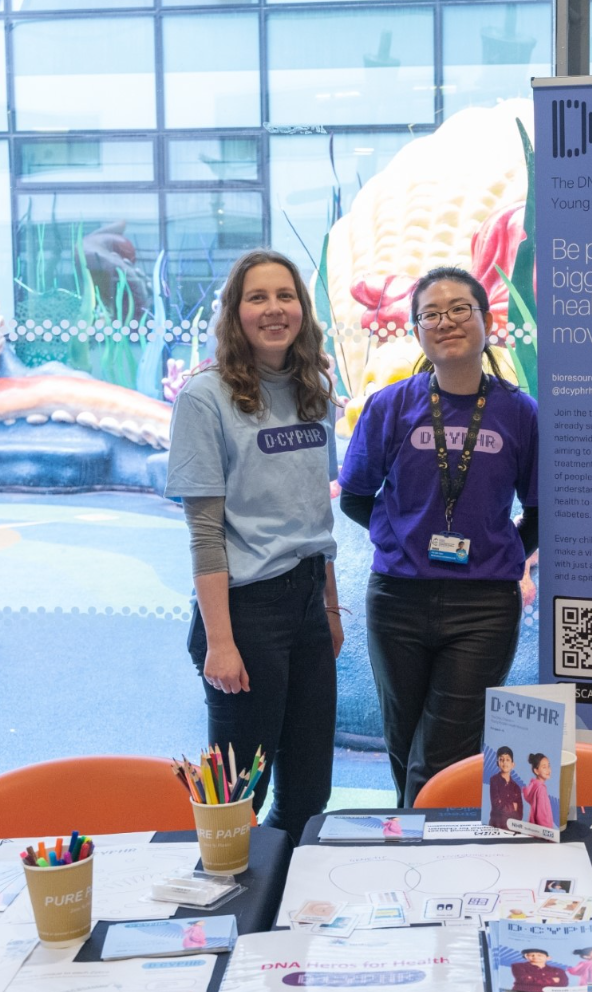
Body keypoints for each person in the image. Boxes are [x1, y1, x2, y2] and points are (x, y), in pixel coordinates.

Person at [339, 266, 538, 804]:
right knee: (404, 745)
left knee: (441, 752)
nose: (445, 321)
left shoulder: (519, 412)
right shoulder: (390, 406)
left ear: (487, 320)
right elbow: (356, 495)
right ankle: (430, 849)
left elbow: (540, 507)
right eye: (431, 313)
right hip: (398, 599)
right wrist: (397, 535)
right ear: (416, 330)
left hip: (483, 607)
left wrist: (506, 549)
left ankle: (417, 856)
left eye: (459, 309)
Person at [166, 249, 341, 841]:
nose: (274, 309)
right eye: (257, 297)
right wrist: (220, 642)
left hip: (308, 600)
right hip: (246, 613)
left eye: (285, 296)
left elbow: (316, 511)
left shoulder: (314, 389)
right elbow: (205, 534)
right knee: (238, 801)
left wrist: (330, 609)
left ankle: (281, 920)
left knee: (310, 792)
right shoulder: (205, 398)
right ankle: (226, 920)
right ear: (235, 313)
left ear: (302, 309)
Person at [488, 745, 524, 829]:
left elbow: (520, 814)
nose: (504, 762)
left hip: (512, 828)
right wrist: (512, 806)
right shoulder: (494, 781)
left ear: (512, 764)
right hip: (496, 826)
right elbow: (496, 805)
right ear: (498, 763)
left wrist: (504, 806)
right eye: (501, 759)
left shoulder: (516, 787)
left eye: (507, 759)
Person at [522, 752, 554, 828]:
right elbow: (541, 815)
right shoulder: (541, 789)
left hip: (534, 830)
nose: (548, 770)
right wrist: (549, 832)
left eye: (548, 766)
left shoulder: (534, 786)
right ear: (536, 771)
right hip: (543, 833)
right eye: (544, 767)